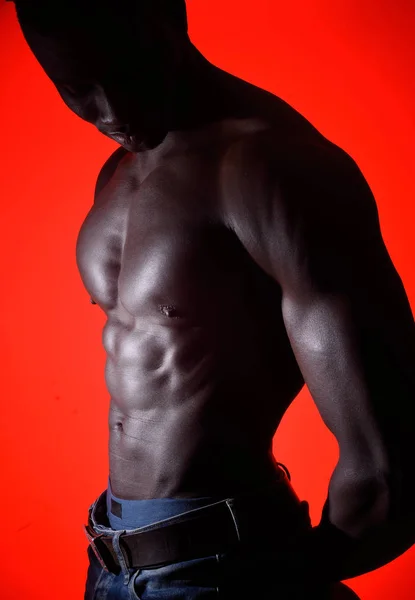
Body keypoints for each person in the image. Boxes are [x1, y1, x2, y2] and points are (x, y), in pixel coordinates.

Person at [9, 1, 415, 598]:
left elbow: (388, 468)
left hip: (224, 569)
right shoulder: (119, 174)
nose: (112, 110)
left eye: (124, 72)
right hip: (110, 565)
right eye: (78, 90)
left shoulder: (271, 169)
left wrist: (282, 579)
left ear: (170, 18)